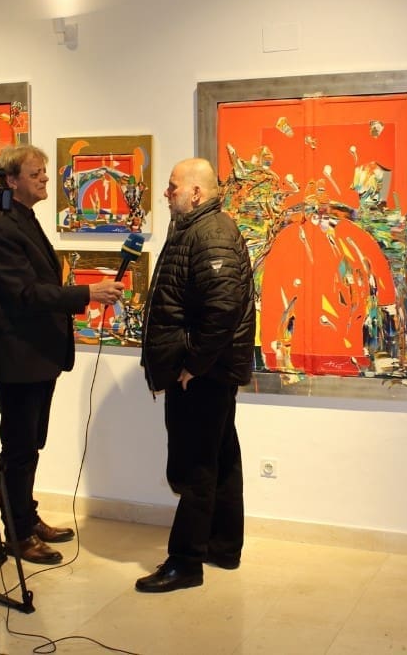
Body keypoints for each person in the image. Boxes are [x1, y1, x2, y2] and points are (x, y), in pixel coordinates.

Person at [0, 145, 125, 564]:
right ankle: (18, 533)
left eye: (44, 172)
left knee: (31, 445)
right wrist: (87, 292)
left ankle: (27, 517)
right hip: (18, 357)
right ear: (11, 180)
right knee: (19, 448)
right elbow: (24, 294)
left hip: (38, 355)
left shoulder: (23, 218)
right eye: (35, 173)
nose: (45, 179)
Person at [137, 158, 256, 593]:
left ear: (196, 193)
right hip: (210, 373)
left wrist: (192, 365)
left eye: (173, 187)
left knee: (196, 467)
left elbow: (222, 310)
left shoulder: (211, 233)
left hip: (204, 376)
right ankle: (221, 547)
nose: (167, 194)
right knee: (219, 459)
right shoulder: (199, 229)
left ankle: (186, 562)